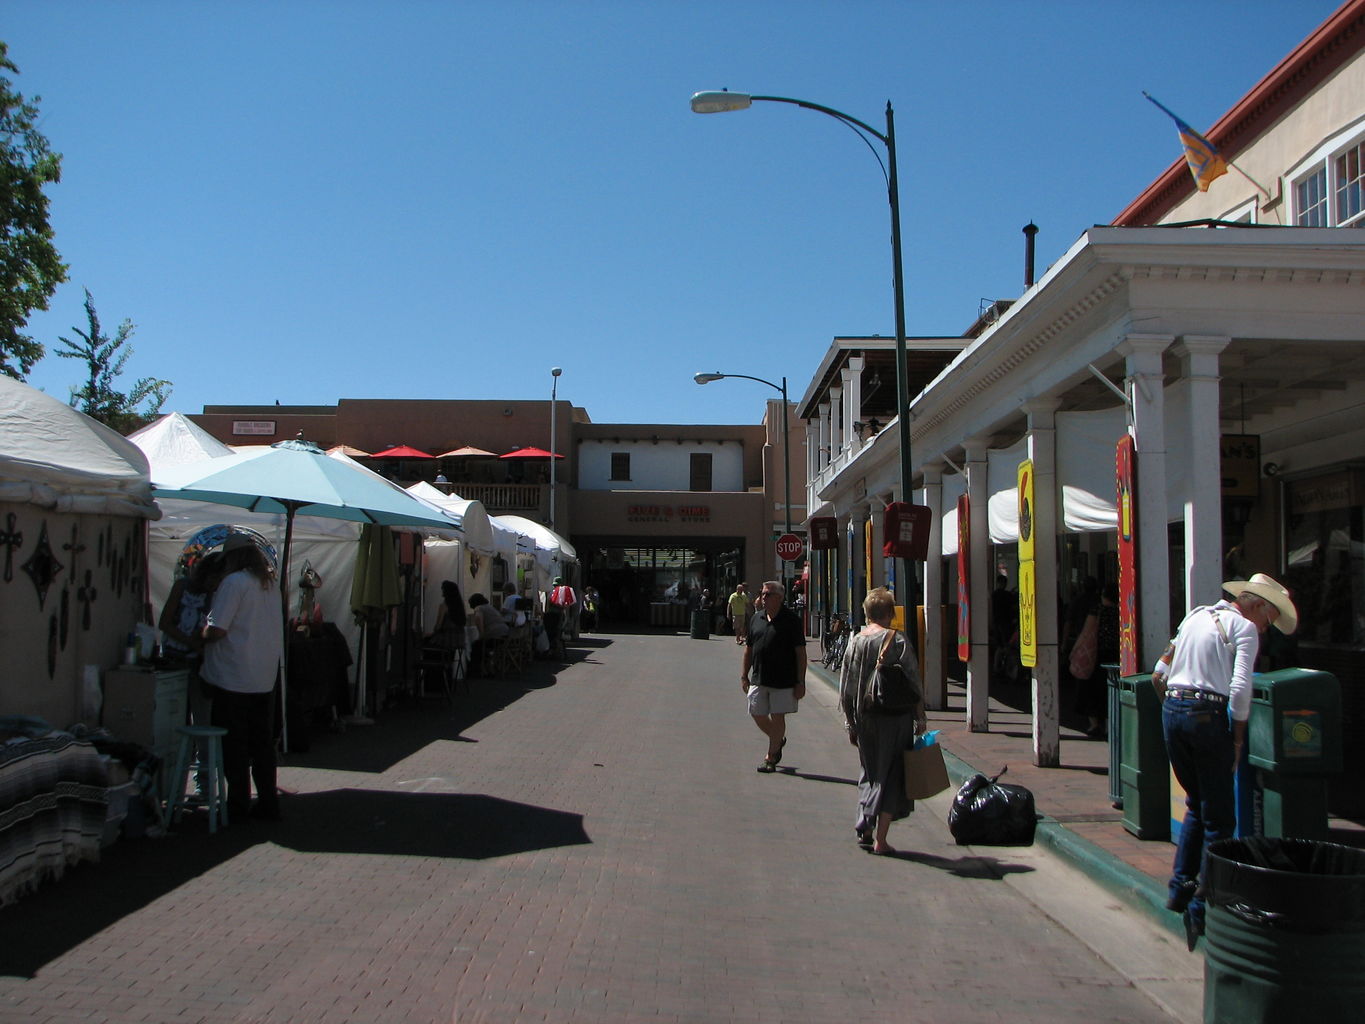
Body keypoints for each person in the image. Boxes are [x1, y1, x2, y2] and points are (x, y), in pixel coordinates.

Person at [1153, 572, 1298, 951]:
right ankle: (1203, 904)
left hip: (1174, 711)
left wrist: (1173, 711)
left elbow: (1159, 672)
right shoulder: (1245, 630)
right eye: (1269, 618)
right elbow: (1239, 688)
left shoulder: (1195, 616)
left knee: (1196, 805)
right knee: (1221, 817)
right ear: (1259, 606)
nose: (1266, 627)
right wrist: (1236, 739)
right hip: (1208, 715)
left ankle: (1179, 887)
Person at [201, 534, 284, 822]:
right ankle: (267, 800)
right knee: (261, 745)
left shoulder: (234, 583)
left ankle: (238, 803)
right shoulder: (269, 584)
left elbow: (218, 628)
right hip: (262, 676)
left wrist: (201, 634)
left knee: (234, 745)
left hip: (233, 676)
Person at [839, 587, 926, 855]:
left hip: (864, 717)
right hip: (895, 717)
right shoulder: (897, 641)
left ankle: (864, 821)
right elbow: (913, 680)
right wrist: (920, 716)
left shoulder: (855, 641)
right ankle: (881, 839)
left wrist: (850, 723)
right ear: (890, 613)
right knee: (892, 772)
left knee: (870, 768)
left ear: (866, 613)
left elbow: (847, 685)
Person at [741, 580, 807, 773]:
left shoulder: (791, 620)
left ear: (779, 597)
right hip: (759, 676)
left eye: (768, 594)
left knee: (778, 716)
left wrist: (800, 681)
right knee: (756, 712)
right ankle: (778, 739)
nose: (763, 597)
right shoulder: (756, 619)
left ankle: (771, 757)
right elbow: (749, 649)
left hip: (784, 680)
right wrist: (744, 675)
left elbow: (800, 653)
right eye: (762, 593)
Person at [468, 593, 508, 673]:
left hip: (494, 635)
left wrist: (481, 634)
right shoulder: (490, 607)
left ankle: (477, 670)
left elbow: (478, 618)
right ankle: (489, 666)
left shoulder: (478, 608)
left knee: (476, 646)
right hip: (505, 634)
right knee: (481, 645)